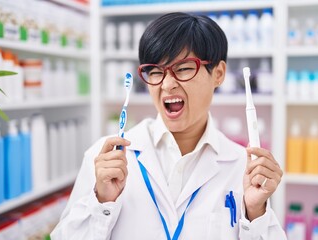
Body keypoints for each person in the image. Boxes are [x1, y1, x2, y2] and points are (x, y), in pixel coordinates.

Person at [51, 12, 287, 240]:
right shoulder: (105, 158)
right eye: (155, 71)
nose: (167, 84)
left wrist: (256, 213)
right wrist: (101, 202)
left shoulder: (242, 167)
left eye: (183, 68)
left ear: (218, 73)